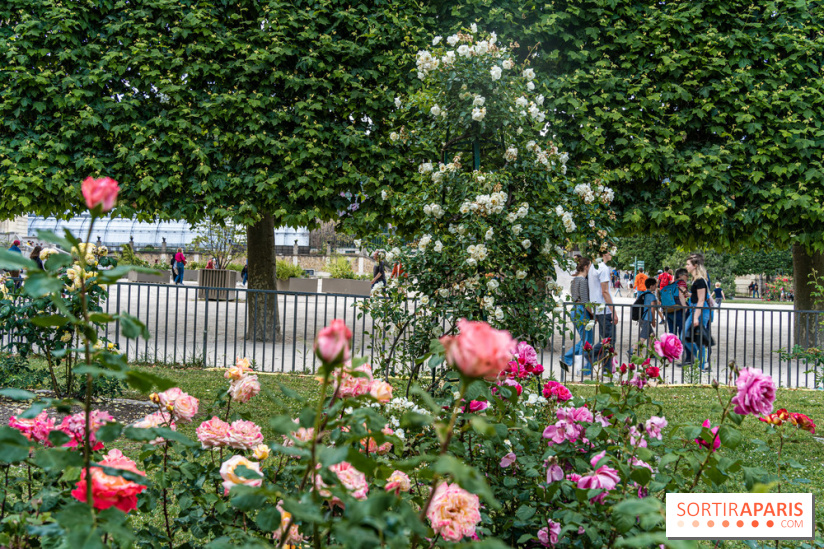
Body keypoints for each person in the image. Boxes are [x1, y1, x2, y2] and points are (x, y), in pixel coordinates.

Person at [562, 256, 595, 374]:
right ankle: (583, 368)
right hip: (581, 311)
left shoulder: (574, 280)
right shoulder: (583, 281)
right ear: (585, 267)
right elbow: (585, 301)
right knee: (587, 341)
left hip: (574, 310)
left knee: (584, 339)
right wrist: (594, 314)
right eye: (590, 266)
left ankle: (568, 359)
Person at [681, 253, 712, 370]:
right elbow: (698, 297)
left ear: (695, 266)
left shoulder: (700, 280)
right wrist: (690, 294)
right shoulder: (696, 280)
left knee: (697, 338)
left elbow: (701, 300)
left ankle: (702, 364)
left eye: (688, 264)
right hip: (696, 309)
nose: (686, 266)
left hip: (699, 310)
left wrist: (695, 317)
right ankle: (700, 360)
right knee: (684, 336)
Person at [590, 248, 617, 371]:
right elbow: (605, 291)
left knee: (605, 339)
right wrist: (614, 311)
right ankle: (587, 355)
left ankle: (606, 368)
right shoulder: (604, 268)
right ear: (605, 253)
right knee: (609, 340)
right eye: (610, 251)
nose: (612, 254)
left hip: (597, 308)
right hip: (604, 309)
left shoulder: (593, 267)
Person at [637, 277, 666, 353]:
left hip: (642, 317)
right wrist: (653, 320)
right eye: (655, 285)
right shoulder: (652, 296)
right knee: (643, 337)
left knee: (652, 335)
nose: (656, 286)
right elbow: (653, 309)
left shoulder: (644, 294)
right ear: (651, 286)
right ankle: (632, 350)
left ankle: (651, 351)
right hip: (647, 318)